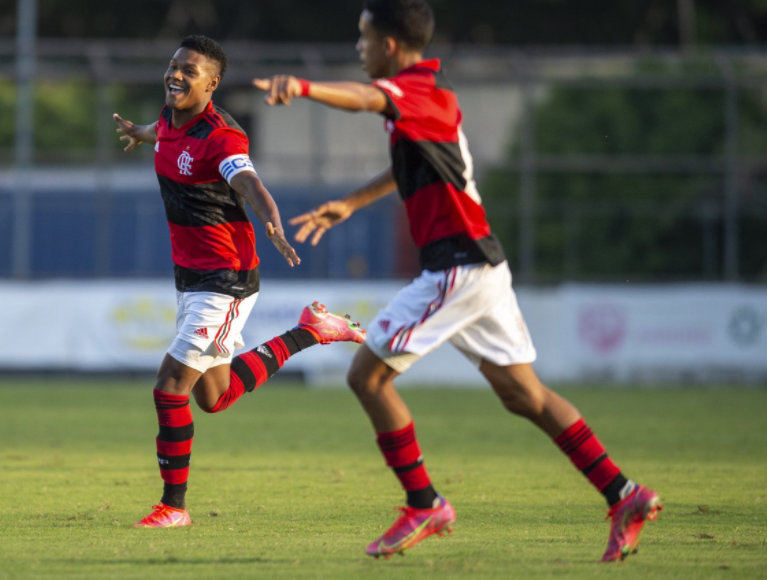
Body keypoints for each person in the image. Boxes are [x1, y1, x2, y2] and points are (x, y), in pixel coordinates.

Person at [253, 0, 660, 562]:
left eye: (363, 37)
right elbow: (409, 168)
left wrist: (303, 86)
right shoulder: (428, 99)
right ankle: (624, 494)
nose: (359, 47)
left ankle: (424, 504)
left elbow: (367, 99)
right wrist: (350, 202)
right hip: (480, 267)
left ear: (390, 45)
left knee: (367, 378)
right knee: (525, 395)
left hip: (457, 268)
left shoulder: (411, 94)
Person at [114, 35, 367, 529]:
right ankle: (312, 331)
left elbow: (249, 182)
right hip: (192, 278)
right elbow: (162, 134)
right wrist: (139, 133)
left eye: (190, 71)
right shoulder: (169, 117)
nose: (176, 75)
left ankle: (173, 507)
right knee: (214, 397)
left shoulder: (221, 136)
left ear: (213, 83)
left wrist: (271, 218)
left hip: (224, 277)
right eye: (173, 66)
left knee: (169, 388)